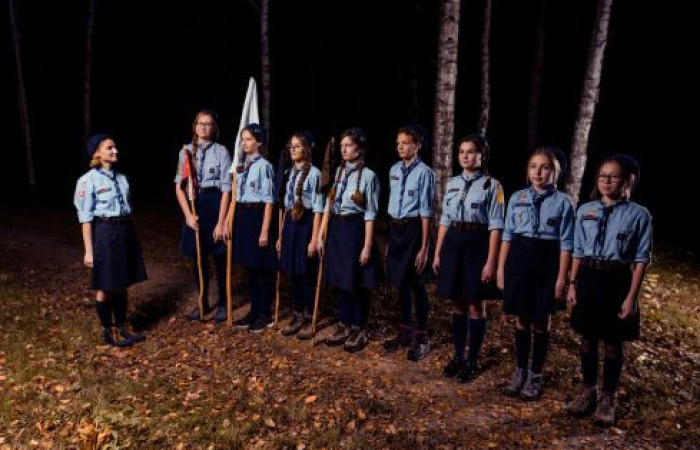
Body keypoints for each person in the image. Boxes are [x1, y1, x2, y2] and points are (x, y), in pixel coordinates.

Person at [566, 154, 652, 427]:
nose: (606, 181)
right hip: (589, 277)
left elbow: (641, 259)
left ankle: (608, 397)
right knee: (587, 339)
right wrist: (572, 283)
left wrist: (631, 298)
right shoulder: (586, 210)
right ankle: (588, 390)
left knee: (613, 343)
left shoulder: (639, 215)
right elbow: (578, 250)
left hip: (617, 280)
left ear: (628, 180)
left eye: (614, 176)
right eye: (602, 176)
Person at [497, 146, 574, 400]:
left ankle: (536, 375)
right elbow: (507, 235)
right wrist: (501, 269)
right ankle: (520, 371)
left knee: (541, 319)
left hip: (547, 262)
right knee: (521, 318)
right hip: (520, 259)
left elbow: (566, 244)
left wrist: (561, 279)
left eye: (545, 167)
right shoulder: (517, 197)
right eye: (533, 166)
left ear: (556, 172)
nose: (538, 172)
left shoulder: (564, 202)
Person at [432, 133, 504, 382]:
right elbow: (444, 219)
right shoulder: (452, 183)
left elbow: (496, 226)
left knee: (475, 303)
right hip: (453, 242)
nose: (465, 156)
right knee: (457, 302)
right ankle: (458, 356)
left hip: (477, 244)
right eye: (461, 151)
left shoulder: (493, 186)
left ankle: (472, 360)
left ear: (482, 155)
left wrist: (491, 261)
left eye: (471, 151)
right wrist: (438, 252)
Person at [74, 133, 147, 347]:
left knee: (122, 282)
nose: (115, 151)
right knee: (105, 285)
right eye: (109, 148)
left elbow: (127, 208)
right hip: (104, 232)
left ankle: (122, 327)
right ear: (97, 153)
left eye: (115, 147)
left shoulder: (122, 178)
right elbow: (86, 219)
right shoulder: (87, 181)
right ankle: (109, 331)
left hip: (125, 230)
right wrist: (88, 251)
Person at [317, 127, 380, 353]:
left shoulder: (369, 176)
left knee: (356, 281)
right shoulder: (339, 172)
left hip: (356, 230)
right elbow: (329, 203)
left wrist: (367, 246)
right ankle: (343, 323)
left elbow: (370, 213)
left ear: (359, 149)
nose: (343, 149)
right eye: (342, 146)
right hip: (337, 228)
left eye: (349, 145)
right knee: (340, 280)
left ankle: (358, 327)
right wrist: (321, 234)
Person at [382, 124, 435, 360]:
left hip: (414, 230)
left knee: (416, 283)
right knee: (400, 282)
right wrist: (389, 240)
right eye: (398, 143)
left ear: (418, 145)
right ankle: (405, 330)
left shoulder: (425, 173)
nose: (400, 147)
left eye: (405, 143)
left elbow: (426, 212)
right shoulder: (393, 169)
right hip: (396, 229)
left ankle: (421, 336)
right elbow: (393, 203)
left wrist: (424, 247)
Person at [174, 109, 232, 323]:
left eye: (208, 124)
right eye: (200, 123)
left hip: (214, 203)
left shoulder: (221, 151)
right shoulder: (186, 151)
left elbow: (227, 189)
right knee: (198, 256)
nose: (204, 127)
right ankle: (202, 301)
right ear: (195, 126)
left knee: (219, 256)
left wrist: (221, 222)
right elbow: (179, 187)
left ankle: (224, 304)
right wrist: (188, 216)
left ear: (214, 128)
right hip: (194, 204)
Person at [276, 131, 324, 339]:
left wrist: (314, 239)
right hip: (290, 223)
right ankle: (297, 313)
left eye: (297, 146)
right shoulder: (288, 172)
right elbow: (285, 207)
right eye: (291, 146)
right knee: (293, 272)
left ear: (306, 149)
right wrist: (280, 236)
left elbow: (318, 208)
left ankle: (308, 314)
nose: (293, 149)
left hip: (306, 223)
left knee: (306, 272)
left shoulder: (315, 174)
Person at [230, 123, 277, 333]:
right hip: (244, 217)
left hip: (258, 216)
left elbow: (268, 201)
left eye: (249, 139)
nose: (245, 143)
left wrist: (265, 230)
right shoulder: (242, 165)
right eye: (243, 139)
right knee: (250, 267)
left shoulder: (264, 166)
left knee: (261, 268)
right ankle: (254, 310)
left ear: (259, 142)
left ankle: (264, 314)